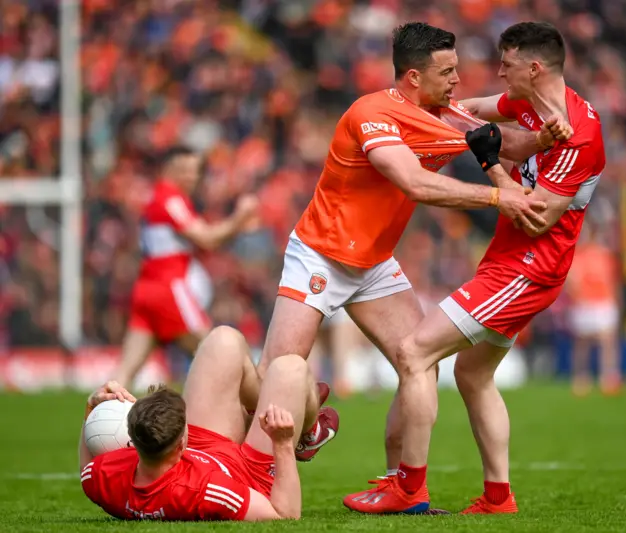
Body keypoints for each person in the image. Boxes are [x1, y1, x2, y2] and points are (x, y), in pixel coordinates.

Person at [257, 21, 570, 464]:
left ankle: (396, 483)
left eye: (456, 70)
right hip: (320, 256)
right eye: (447, 73)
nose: (457, 81)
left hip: (375, 264)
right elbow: (414, 183)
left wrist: (542, 138)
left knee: (420, 363)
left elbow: (505, 145)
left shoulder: (448, 114)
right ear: (413, 77)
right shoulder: (371, 114)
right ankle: (285, 431)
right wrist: (499, 196)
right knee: (273, 375)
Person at [343, 21, 605, 515]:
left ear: (533, 67)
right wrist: (420, 109)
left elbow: (536, 219)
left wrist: (492, 164)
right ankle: (497, 499)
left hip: (529, 266)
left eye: (505, 65)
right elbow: (472, 112)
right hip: (509, 261)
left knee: (415, 352)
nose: (497, 73)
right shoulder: (532, 105)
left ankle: (408, 489)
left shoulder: (582, 135)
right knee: (472, 374)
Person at [81, 326, 336, 521]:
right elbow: (285, 515)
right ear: (181, 443)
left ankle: (253, 413)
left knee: (222, 339)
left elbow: (88, 470)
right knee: (290, 369)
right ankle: (307, 432)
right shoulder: (206, 490)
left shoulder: (107, 475)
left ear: (133, 440)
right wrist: (282, 444)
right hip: (250, 474)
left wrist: (93, 409)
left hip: (203, 449)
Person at [114, 147, 258, 388]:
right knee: (218, 351)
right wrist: (240, 217)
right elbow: (207, 239)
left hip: (145, 289)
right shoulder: (171, 199)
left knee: (124, 371)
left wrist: (234, 227)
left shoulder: (156, 197)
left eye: (195, 171)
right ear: (170, 169)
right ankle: (252, 411)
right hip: (167, 288)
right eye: (186, 170)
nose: (193, 177)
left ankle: (97, 418)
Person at [566, 222, 622, 396]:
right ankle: (581, 378)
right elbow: (569, 281)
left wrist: (615, 301)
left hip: (603, 302)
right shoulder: (576, 255)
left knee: (608, 342)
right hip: (583, 303)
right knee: (582, 343)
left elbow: (613, 281)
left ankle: (609, 377)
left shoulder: (604, 255)